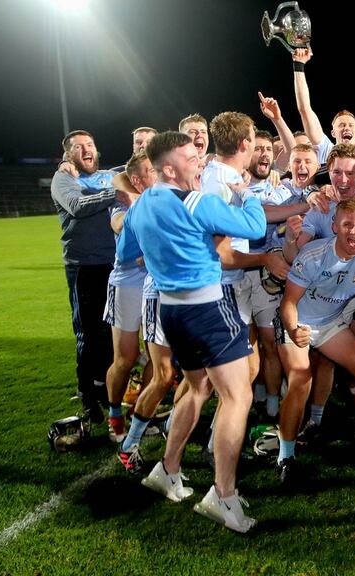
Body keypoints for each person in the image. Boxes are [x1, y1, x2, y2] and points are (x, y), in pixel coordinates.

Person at [117, 131, 266, 533]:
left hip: (172, 312)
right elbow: (255, 225)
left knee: (198, 388)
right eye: (189, 156)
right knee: (238, 396)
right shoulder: (194, 200)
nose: (198, 159)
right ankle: (223, 494)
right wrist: (245, 191)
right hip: (207, 309)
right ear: (168, 168)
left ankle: (167, 470)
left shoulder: (142, 202)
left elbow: (125, 252)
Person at [274, 198, 355, 484]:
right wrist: (292, 328)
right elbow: (288, 302)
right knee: (302, 378)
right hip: (297, 320)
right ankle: (286, 456)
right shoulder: (314, 254)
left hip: (329, 325)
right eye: (348, 224)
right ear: (335, 227)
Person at [50, 130, 118, 423]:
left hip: (115, 266)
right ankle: (87, 395)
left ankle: (105, 388)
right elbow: (77, 207)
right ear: (69, 155)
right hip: (84, 267)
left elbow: (146, 164)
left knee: (111, 333)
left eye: (90, 144)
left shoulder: (110, 174)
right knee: (88, 334)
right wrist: (117, 192)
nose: (86, 150)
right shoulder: (64, 179)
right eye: (79, 147)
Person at [102, 151, 156, 443]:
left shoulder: (163, 195)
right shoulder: (125, 200)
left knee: (160, 360)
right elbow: (123, 243)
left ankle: (141, 412)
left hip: (156, 283)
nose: (159, 173)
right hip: (128, 284)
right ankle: (114, 413)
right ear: (136, 179)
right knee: (126, 357)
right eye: (152, 170)